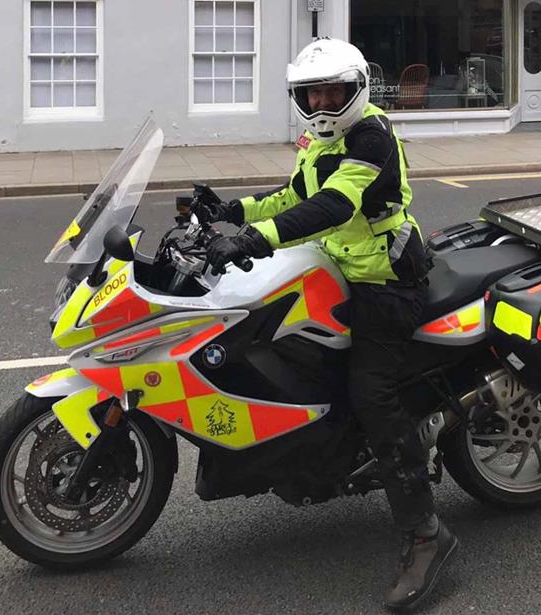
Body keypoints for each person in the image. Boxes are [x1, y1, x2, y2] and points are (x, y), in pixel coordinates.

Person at [206, 38, 458, 610]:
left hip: (385, 282)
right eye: (311, 92)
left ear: (356, 89)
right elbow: (296, 195)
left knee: (373, 395)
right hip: (338, 269)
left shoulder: (370, 135)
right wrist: (230, 212)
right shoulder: (320, 138)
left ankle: (426, 535)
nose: (321, 102)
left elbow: (335, 206)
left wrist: (255, 240)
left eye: (332, 91)